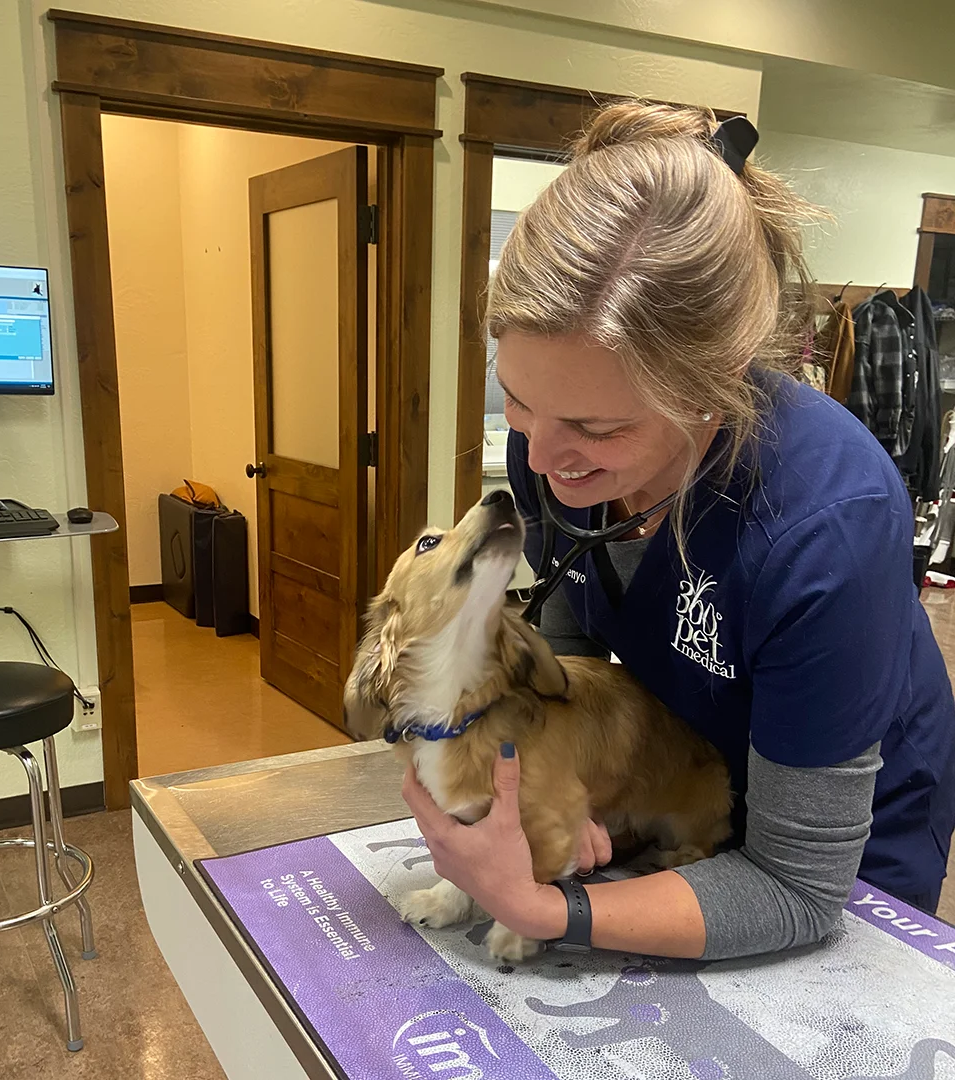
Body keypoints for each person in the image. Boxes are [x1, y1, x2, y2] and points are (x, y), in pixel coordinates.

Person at [402, 102, 955, 961]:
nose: (543, 458)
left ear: (715, 384)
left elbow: (800, 889)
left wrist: (551, 911)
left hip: (834, 850)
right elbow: (575, 641)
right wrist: (568, 788)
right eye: (517, 397)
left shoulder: (825, 525)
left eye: (596, 426)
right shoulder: (551, 451)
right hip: (680, 785)